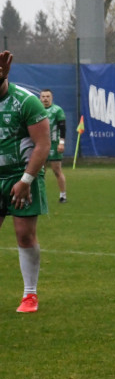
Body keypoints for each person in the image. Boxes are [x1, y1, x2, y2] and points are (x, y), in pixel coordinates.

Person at [0, 52, 50, 314]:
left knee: (24, 234)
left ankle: (30, 295)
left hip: (22, 175)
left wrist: (26, 180)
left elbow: (43, 144)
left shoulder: (26, 102)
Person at [38, 89, 67, 204]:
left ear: (51, 98)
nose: (45, 98)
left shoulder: (57, 110)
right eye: (43, 96)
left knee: (57, 170)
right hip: (40, 145)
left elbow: (62, 128)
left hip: (54, 145)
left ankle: (63, 195)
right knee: (40, 172)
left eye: (47, 96)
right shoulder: (37, 110)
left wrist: (62, 143)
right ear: (40, 98)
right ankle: (39, 196)